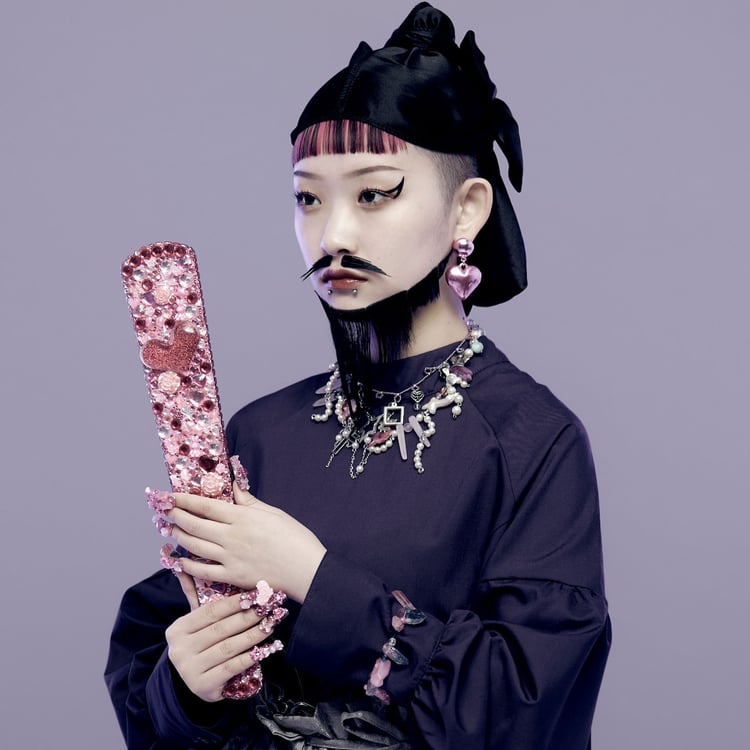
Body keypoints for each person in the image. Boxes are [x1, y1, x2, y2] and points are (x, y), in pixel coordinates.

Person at [105, 4, 611, 748]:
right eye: (308, 198)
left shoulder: (531, 440)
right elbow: (156, 667)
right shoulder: (259, 433)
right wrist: (188, 685)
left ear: (467, 209)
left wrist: (313, 579)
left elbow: (524, 709)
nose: (333, 234)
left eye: (374, 193)